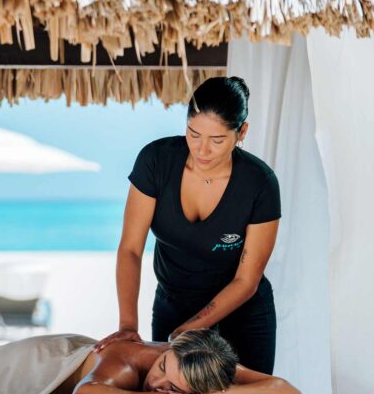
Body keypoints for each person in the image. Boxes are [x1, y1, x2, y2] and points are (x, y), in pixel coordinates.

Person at [96, 76, 282, 373]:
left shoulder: (260, 184)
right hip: (173, 303)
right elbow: (131, 248)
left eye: (217, 140)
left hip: (242, 311)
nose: (202, 150)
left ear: (241, 132)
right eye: (193, 134)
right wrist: (128, 325)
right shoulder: (156, 162)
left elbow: (246, 280)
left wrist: (188, 330)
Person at [51, 328, 303, 394]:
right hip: (39, 362)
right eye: (162, 366)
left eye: (173, 386)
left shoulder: (207, 361)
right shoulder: (125, 364)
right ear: (170, 347)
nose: (155, 382)